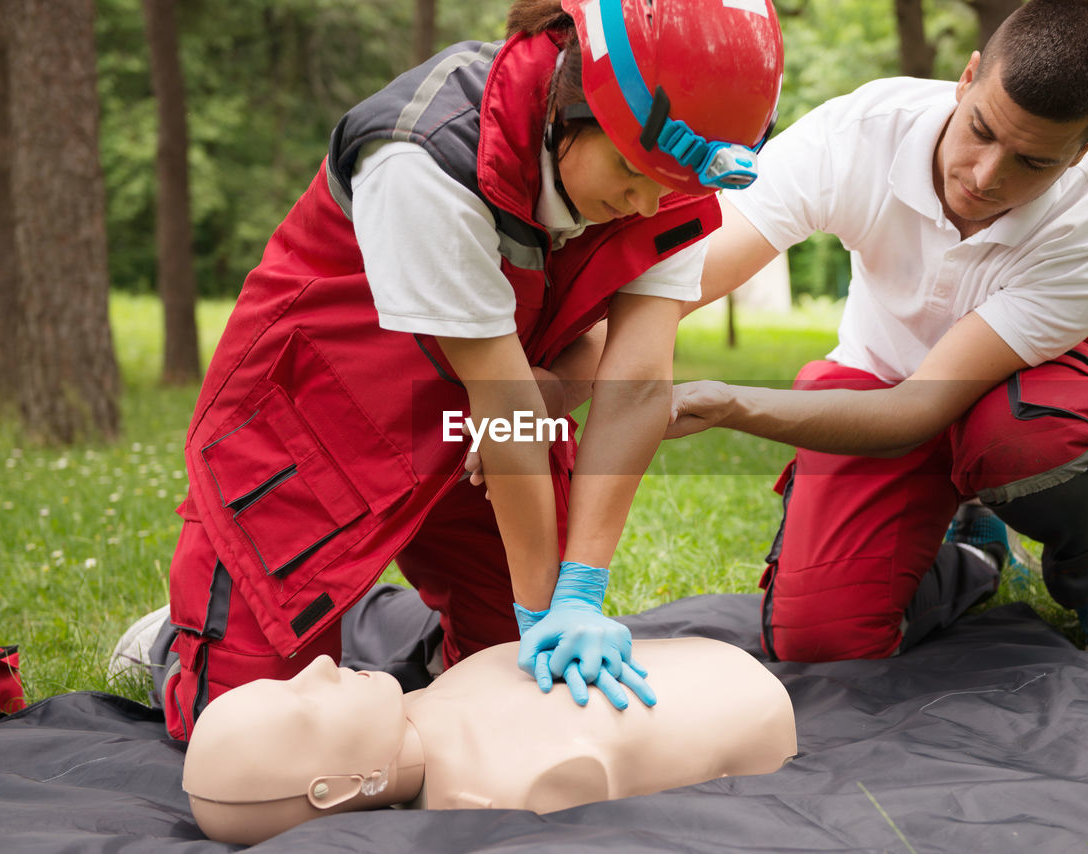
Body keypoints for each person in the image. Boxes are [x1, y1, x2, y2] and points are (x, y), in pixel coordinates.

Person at [153, 0, 784, 740]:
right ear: (570, 102)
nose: (646, 204)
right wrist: (542, 608)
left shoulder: (673, 161)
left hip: (486, 425)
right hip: (317, 423)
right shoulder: (423, 157)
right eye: (628, 171)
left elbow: (637, 382)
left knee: (517, 688)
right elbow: (508, 400)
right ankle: (170, 645)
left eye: (668, 188)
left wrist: (577, 595)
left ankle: (411, 643)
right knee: (250, 735)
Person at [665, 0, 1088, 665]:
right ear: (966, 79)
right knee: (819, 641)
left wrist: (726, 402)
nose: (985, 176)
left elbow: (919, 410)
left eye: (1034, 162)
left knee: (1025, 438)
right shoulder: (858, 133)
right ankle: (973, 552)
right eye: (982, 130)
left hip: (1018, 390)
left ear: (1086, 149)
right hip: (881, 376)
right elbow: (680, 281)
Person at [182, 638, 798, 845]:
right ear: (331, 790)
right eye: (305, 707)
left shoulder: (429, 704)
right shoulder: (500, 785)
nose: (317, 666)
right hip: (753, 712)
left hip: (729, 682)